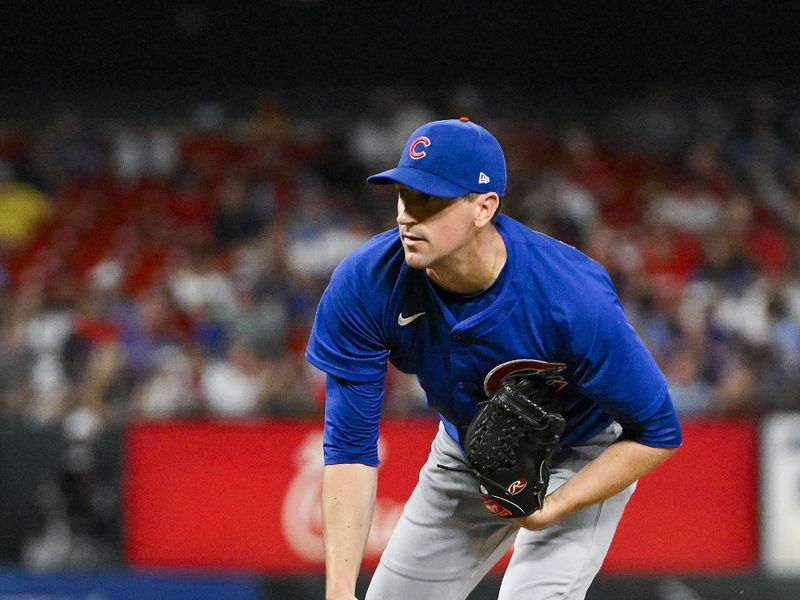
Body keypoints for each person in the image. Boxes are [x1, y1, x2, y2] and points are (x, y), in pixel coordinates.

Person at [305, 117, 681, 600]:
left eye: (429, 200)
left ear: (484, 207)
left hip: (582, 449)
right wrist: (338, 593)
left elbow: (659, 432)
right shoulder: (366, 284)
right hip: (469, 451)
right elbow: (349, 450)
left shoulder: (570, 297)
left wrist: (553, 507)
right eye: (403, 195)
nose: (406, 215)